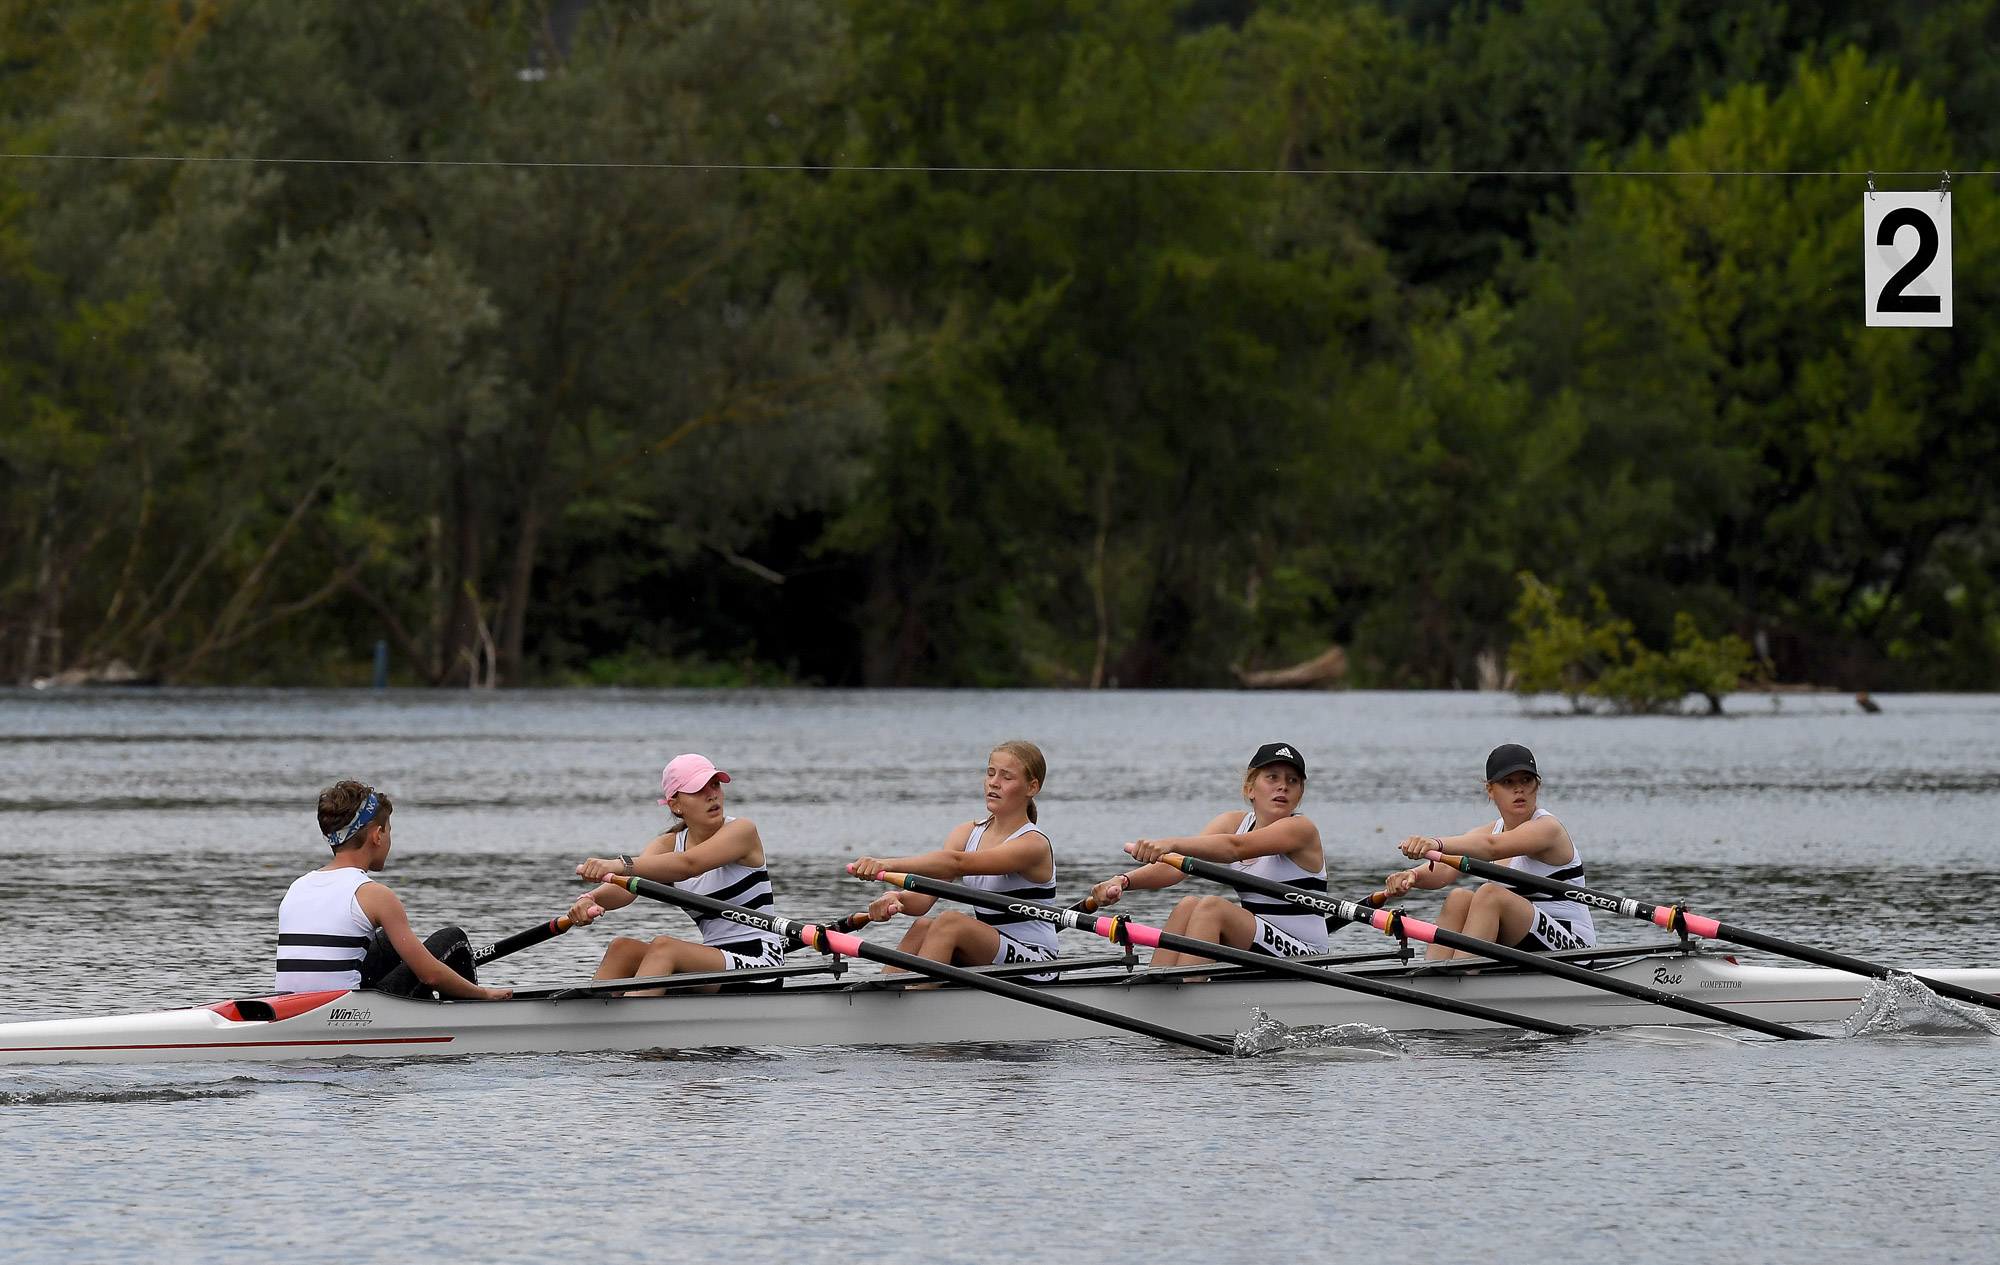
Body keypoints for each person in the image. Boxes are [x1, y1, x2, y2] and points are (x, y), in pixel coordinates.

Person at [1089, 742, 1329, 969]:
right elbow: (1176, 868)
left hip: (1307, 958)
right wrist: (1122, 881)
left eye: (1293, 780)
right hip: (1264, 947)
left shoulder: (1301, 829)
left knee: (1213, 908)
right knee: (1188, 905)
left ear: (1299, 795)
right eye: (1272, 777)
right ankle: (1157, 990)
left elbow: (1235, 848)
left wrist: (1170, 844)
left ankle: (1188, 998)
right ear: (1250, 789)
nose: (1283, 786)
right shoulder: (1234, 822)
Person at [569, 754, 786, 993]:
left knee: (665, 947)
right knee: (622, 949)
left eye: (715, 784)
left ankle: (630, 1022)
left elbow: (689, 864)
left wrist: (621, 864)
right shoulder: (668, 845)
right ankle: (591, 1022)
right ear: (676, 805)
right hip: (713, 959)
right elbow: (627, 888)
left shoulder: (742, 831)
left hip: (760, 963)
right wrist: (589, 900)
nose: (712, 794)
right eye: (698, 790)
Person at [274, 781, 511, 1000]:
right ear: (377, 836)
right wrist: (484, 994)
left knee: (387, 942)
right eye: (389, 830)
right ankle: (469, 1021)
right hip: (346, 1014)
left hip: (289, 1007)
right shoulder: (375, 895)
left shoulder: (298, 887)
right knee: (453, 939)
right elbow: (431, 976)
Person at [847, 740, 1060, 980]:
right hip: (991, 952)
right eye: (990, 773)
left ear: (1032, 788)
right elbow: (921, 900)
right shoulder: (967, 833)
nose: (993, 782)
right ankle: (881, 996)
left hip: (1036, 963)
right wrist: (893, 898)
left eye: (1006, 777)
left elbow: (957, 863)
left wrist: (887, 865)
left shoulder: (1033, 844)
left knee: (951, 922)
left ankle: (916, 1002)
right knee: (923, 927)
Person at [1384, 743, 1596, 958]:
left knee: (1490, 895)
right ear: (1490, 789)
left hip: (1572, 947)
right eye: (1508, 782)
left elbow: (1492, 848)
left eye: (1526, 780)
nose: (1519, 789)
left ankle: (1463, 978)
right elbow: (1443, 869)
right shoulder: (1489, 832)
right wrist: (1411, 876)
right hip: (1527, 942)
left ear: (1537, 786)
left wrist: (1435, 843)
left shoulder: (1547, 828)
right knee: (1459, 897)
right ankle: (1432, 974)